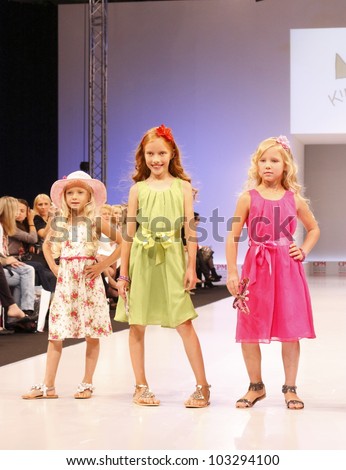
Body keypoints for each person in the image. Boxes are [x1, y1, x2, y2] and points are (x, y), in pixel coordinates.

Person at [108, 124, 210, 407]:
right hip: (142, 258)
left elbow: (190, 232)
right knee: (137, 323)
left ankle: (202, 386)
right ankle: (140, 386)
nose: (156, 159)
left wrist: (191, 267)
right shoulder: (137, 189)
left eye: (161, 153)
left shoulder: (183, 188)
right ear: (143, 156)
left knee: (184, 321)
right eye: (150, 153)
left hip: (172, 258)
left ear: (171, 154)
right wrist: (123, 274)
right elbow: (128, 234)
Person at [225, 135, 320, 410]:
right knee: (250, 329)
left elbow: (313, 228)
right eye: (263, 161)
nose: (268, 165)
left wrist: (302, 250)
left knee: (290, 329)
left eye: (274, 160)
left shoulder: (294, 199)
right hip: (256, 268)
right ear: (256, 165)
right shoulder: (248, 198)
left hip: (287, 269)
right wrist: (232, 272)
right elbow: (231, 237)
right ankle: (255, 385)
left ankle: (290, 387)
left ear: (285, 166)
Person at [22, 171, 122, 400]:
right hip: (67, 283)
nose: (74, 197)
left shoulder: (95, 221)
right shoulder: (60, 222)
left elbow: (123, 242)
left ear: (89, 196)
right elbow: (47, 247)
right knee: (55, 334)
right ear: (64, 197)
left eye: (80, 192)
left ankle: (87, 383)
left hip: (89, 283)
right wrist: (55, 268)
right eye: (70, 193)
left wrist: (102, 265)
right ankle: (48, 385)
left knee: (91, 334)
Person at [0, 196, 36, 322]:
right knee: (25, 274)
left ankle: (19, 314)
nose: (18, 213)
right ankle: (20, 313)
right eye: (15, 209)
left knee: (28, 270)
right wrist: (5, 260)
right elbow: (33, 239)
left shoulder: (5, 227)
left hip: (7, 263)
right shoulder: (3, 227)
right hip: (4, 265)